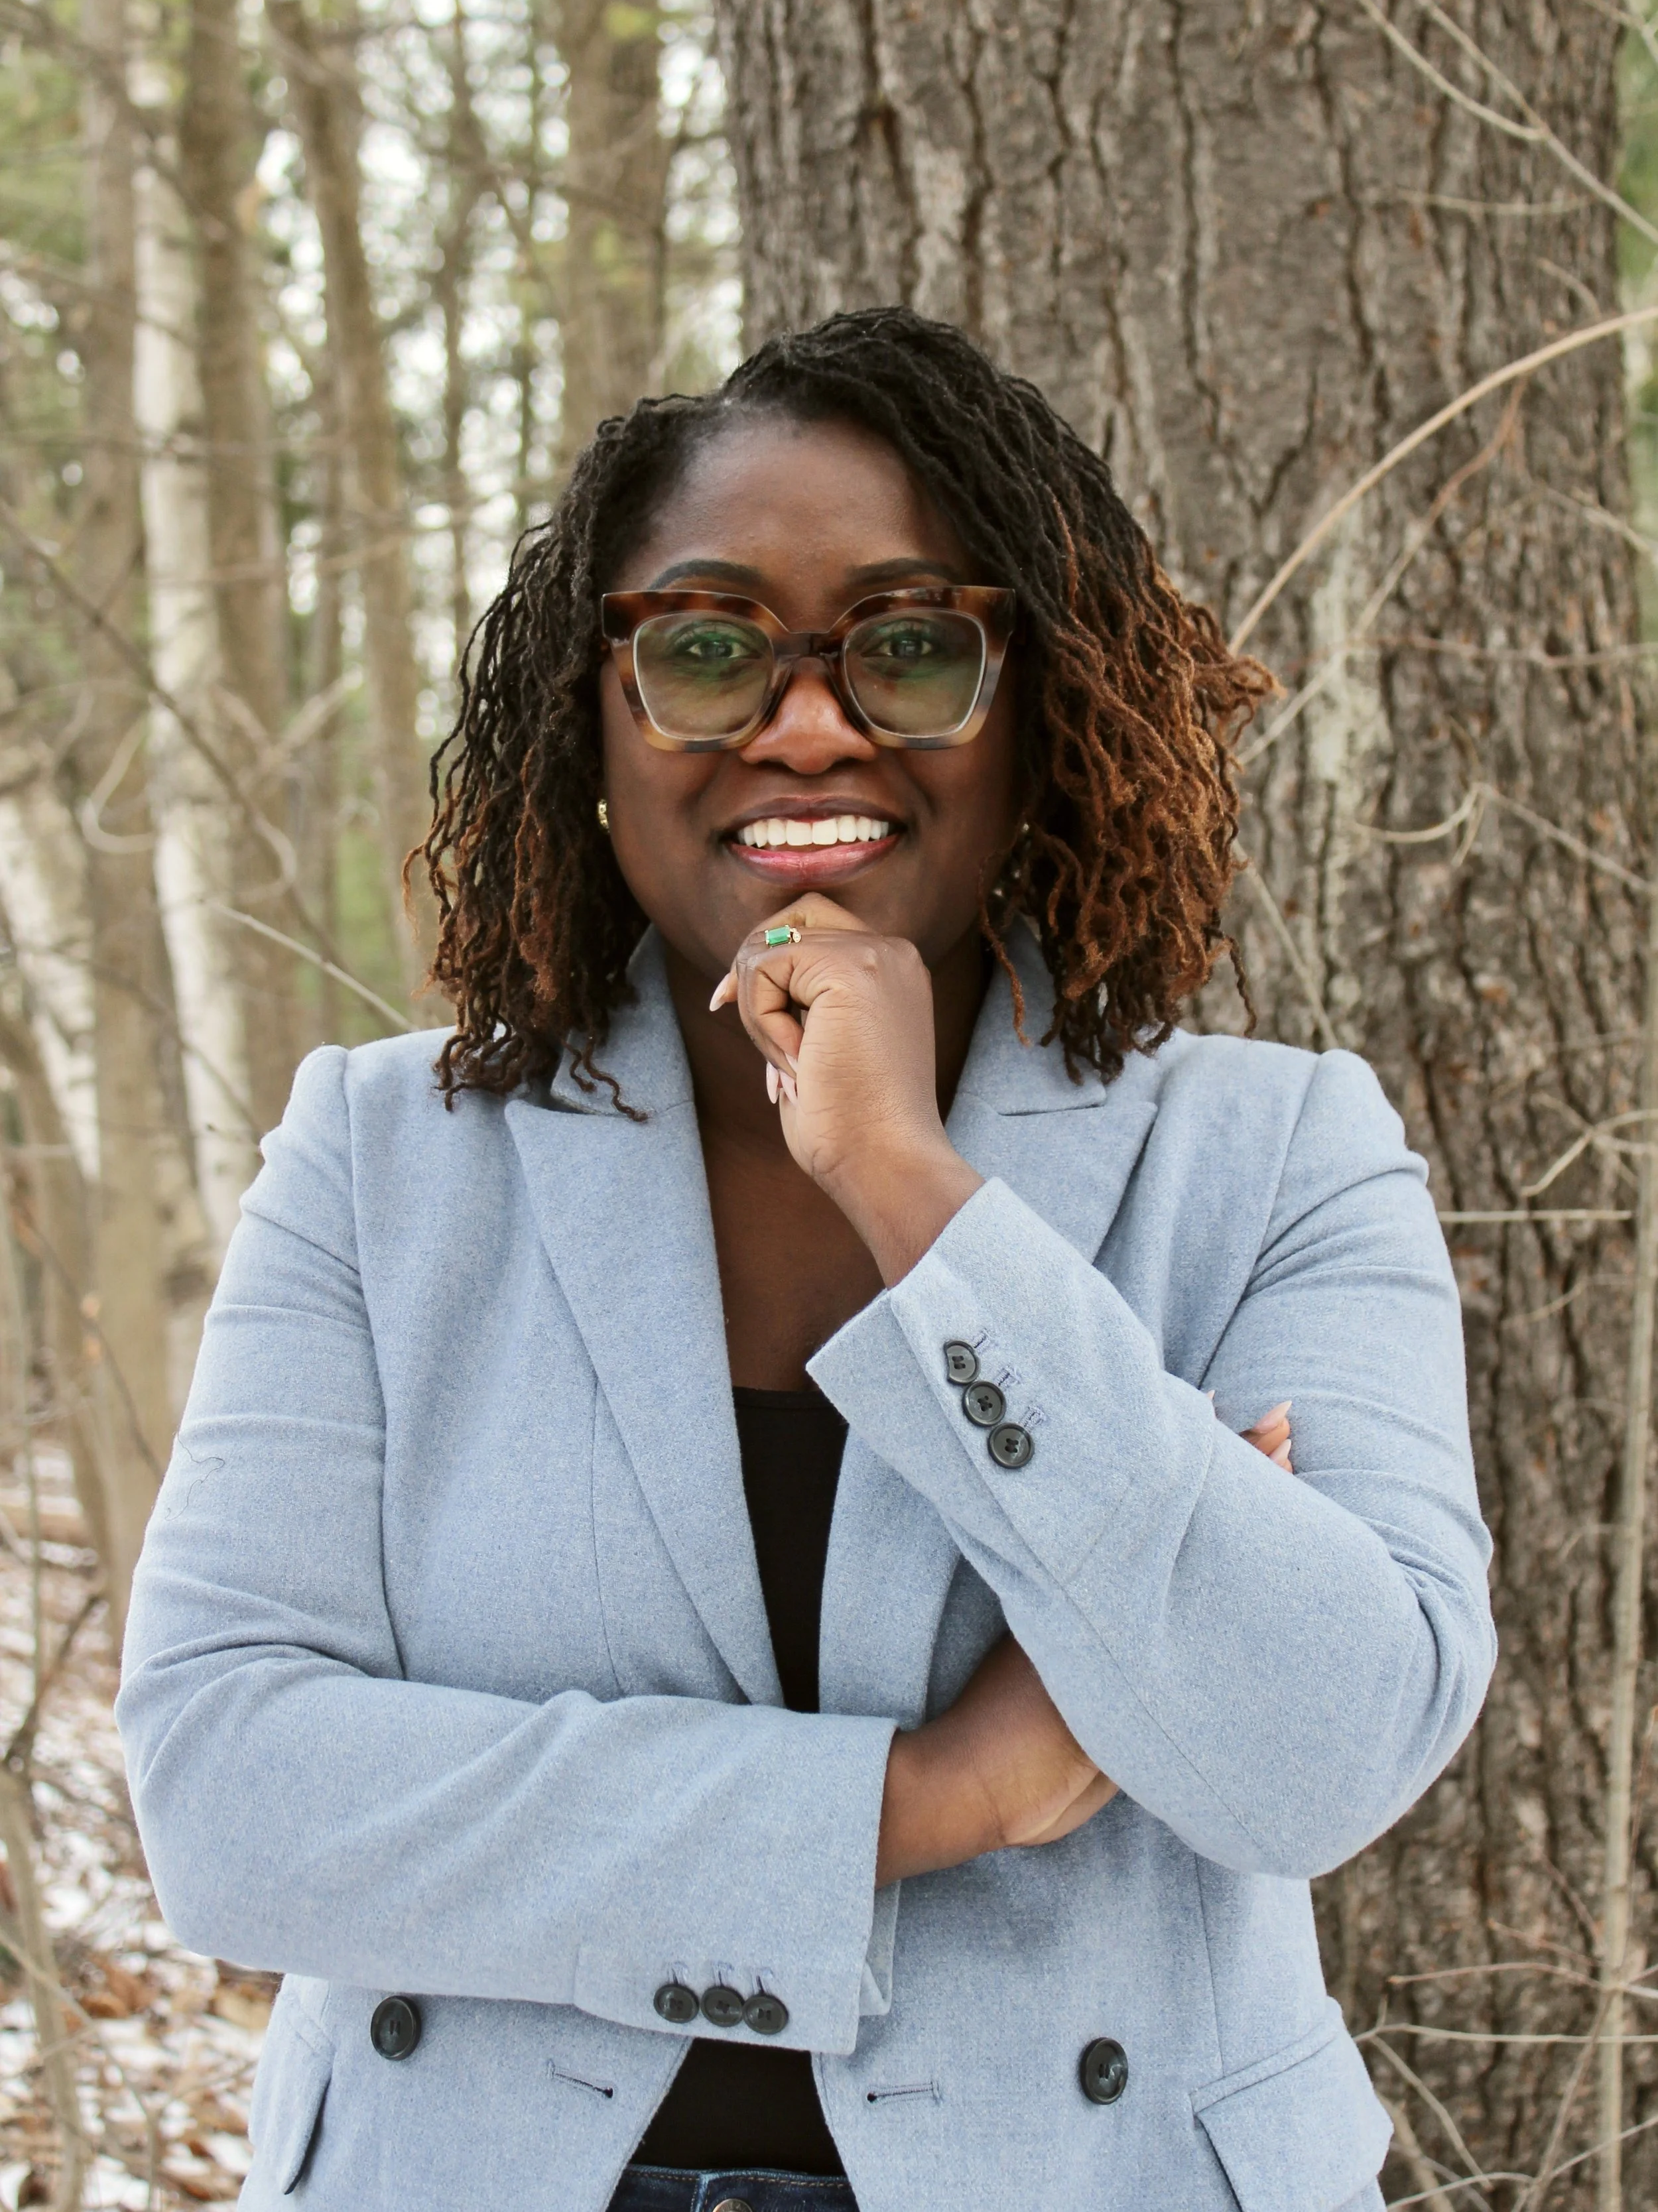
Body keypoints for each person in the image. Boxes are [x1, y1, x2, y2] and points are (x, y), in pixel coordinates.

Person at [117, 308, 1495, 2212]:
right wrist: (917, 1808)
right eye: (702, 648)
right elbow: (230, 1798)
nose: (808, 719)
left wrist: (906, 1185)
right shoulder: (383, 1162)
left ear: (1039, 708)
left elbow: (1324, 1750)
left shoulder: (1267, 1159)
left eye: (911, 648)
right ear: (591, 722)